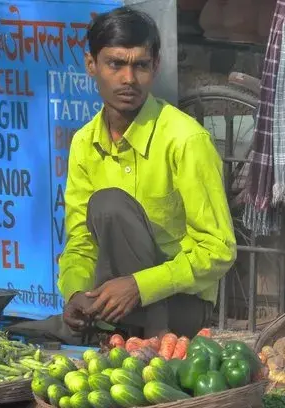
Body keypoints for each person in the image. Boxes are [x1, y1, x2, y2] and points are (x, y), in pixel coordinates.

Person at [57, 7, 236, 339]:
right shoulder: (84, 142)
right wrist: (75, 293)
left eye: (140, 65)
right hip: (111, 298)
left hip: (176, 304)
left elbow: (219, 249)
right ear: (91, 64)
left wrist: (140, 286)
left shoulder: (185, 139)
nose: (128, 79)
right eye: (115, 64)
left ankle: (135, 335)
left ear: (155, 67)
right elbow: (80, 242)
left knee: (110, 203)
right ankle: (106, 329)